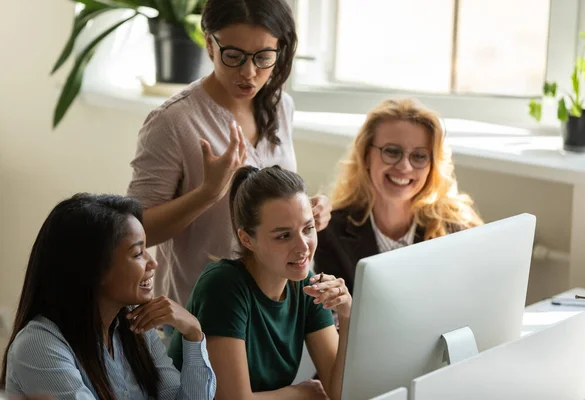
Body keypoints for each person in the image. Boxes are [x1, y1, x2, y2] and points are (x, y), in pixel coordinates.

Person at [127, 0, 331, 307]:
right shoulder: (173, 121)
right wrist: (208, 192)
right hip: (201, 312)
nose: (248, 73)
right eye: (233, 56)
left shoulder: (279, 106)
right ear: (209, 44)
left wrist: (309, 214)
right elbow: (136, 232)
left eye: (263, 57)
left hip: (271, 308)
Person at [0, 194, 216, 400]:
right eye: (138, 254)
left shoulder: (136, 325)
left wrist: (193, 332)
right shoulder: (39, 345)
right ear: (93, 269)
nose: (153, 263)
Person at [168, 166, 351, 400]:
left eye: (308, 228)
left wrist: (346, 315)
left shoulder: (307, 285)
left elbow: (340, 394)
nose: (303, 246)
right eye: (284, 236)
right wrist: (300, 394)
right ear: (247, 239)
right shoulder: (223, 286)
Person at [314, 98, 483, 294]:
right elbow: (332, 317)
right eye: (392, 152)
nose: (405, 167)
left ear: (432, 165)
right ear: (367, 156)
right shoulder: (331, 232)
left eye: (419, 156)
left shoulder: (458, 228)